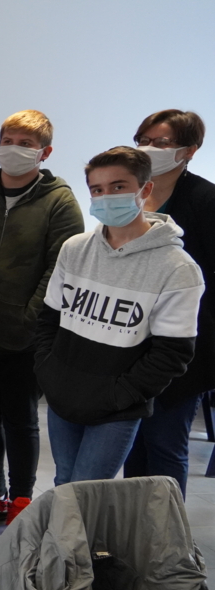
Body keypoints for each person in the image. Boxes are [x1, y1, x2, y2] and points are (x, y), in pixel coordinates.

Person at [36, 146, 202, 485]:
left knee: (89, 489)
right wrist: (49, 372)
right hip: (63, 395)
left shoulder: (178, 269)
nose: (106, 196)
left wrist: (120, 395)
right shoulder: (75, 248)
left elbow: (172, 353)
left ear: (145, 189)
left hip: (116, 408)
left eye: (118, 186)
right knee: (64, 483)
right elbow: (49, 320)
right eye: (97, 189)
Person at [0, 110, 84, 526]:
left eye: (25, 144)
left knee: (21, 420)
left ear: (45, 152)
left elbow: (62, 266)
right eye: (7, 140)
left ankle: (22, 497)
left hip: (27, 336)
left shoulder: (59, 201)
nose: (14, 149)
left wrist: (32, 318)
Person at [123, 110, 214, 496]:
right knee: (131, 444)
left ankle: (166, 530)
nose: (148, 148)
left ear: (189, 151)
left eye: (160, 143)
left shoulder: (206, 200)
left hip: (183, 346)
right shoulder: (130, 194)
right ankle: (132, 524)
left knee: (165, 444)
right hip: (130, 339)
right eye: (143, 140)